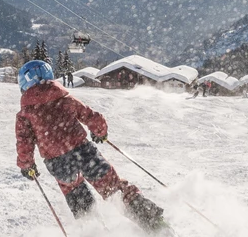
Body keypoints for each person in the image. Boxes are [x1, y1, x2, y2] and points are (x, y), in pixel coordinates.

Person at [13, 60, 166, 233]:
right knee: (112, 187)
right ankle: (152, 221)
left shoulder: (25, 114)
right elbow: (89, 115)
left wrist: (27, 164)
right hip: (84, 152)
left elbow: (23, 141)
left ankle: (93, 230)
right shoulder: (64, 99)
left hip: (58, 161)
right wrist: (100, 131)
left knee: (76, 193)